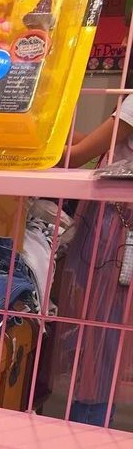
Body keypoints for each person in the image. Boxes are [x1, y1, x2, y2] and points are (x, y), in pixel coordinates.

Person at [56, 79, 133, 429]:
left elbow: (77, 157)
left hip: (112, 234)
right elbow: (98, 145)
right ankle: (92, 425)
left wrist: (14, 145)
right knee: (106, 336)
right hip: (117, 232)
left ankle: (84, 430)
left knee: (96, 336)